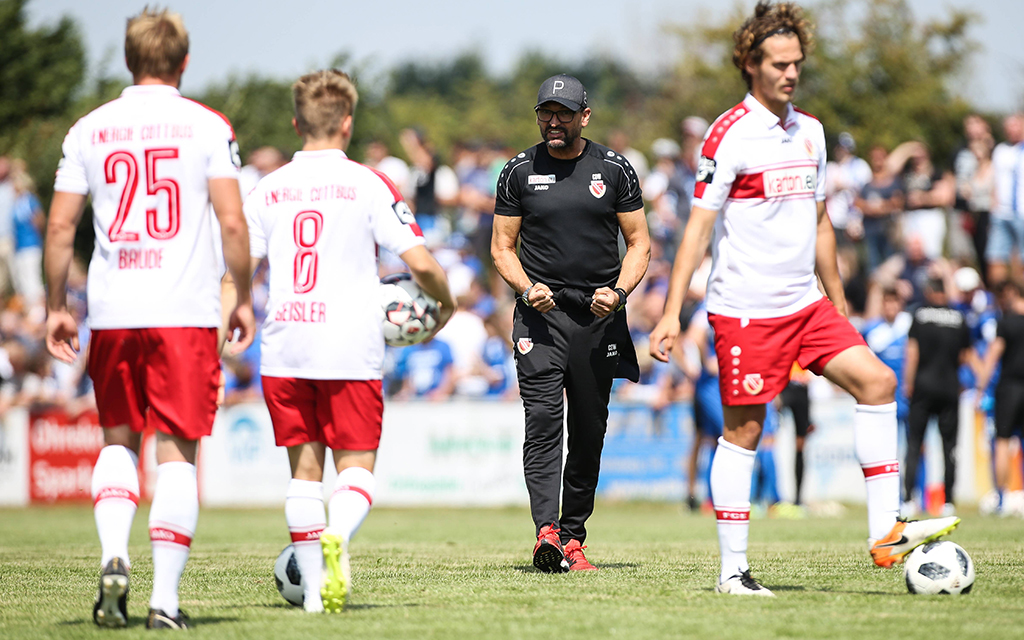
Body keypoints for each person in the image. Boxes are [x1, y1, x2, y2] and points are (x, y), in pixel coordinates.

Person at [648, 1, 959, 596]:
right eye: (779, 64)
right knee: (744, 433)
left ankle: (885, 532)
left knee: (878, 384)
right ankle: (732, 573)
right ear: (750, 64)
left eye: (797, 63)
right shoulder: (729, 134)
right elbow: (696, 228)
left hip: (806, 304)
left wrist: (837, 297)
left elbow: (820, 222)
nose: (791, 74)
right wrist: (668, 312)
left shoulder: (811, 131)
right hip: (745, 310)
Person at [44, 8, 255, 630]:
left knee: (117, 440)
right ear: (184, 61)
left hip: (113, 310)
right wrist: (240, 294)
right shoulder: (206, 125)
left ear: (128, 59)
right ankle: (163, 599)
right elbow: (233, 222)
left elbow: (59, 226)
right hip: (183, 311)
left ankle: (114, 556)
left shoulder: (89, 128)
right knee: (178, 454)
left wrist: (57, 304)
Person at [239, 69, 455, 613]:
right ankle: (339, 536)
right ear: (348, 124)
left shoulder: (268, 187)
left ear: (296, 123)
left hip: (286, 342)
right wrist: (445, 302)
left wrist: (227, 322)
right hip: (348, 342)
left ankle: (313, 596)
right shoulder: (367, 182)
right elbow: (420, 262)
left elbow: (235, 271)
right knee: (355, 471)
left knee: (303, 475)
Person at [492, 73, 650, 573]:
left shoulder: (615, 168)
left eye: (563, 113)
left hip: (597, 318)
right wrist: (525, 288)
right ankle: (546, 531)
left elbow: (641, 243)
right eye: (545, 112)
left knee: (589, 430)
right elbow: (502, 247)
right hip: (538, 318)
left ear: (585, 115)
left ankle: (572, 535)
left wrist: (619, 293)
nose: (553, 121)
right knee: (541, 421)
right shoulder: (517, 170)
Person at [902, 278, 977, 516]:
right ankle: (949, 501)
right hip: (949, 388)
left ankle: (908, 499)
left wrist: (908, 382)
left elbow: (912, 353)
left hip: (923, 387)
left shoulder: (920, 315)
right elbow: (966, 356)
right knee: (949, 447)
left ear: (928, 292)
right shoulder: (959, 318)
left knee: (914, 444)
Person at [976, 280, 1024, 516]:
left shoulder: (1006, 322)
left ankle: (1003, 497)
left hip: (1009, 388)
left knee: (1003, 441)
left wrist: (981, 387)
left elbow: (993, 355)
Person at [987, 113, 1024, 285]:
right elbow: (995, 180)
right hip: (1001, 211)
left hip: (1021, 212)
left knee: (1020, 260)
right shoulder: (1001, 150)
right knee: (996, 256)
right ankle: (999, 298)